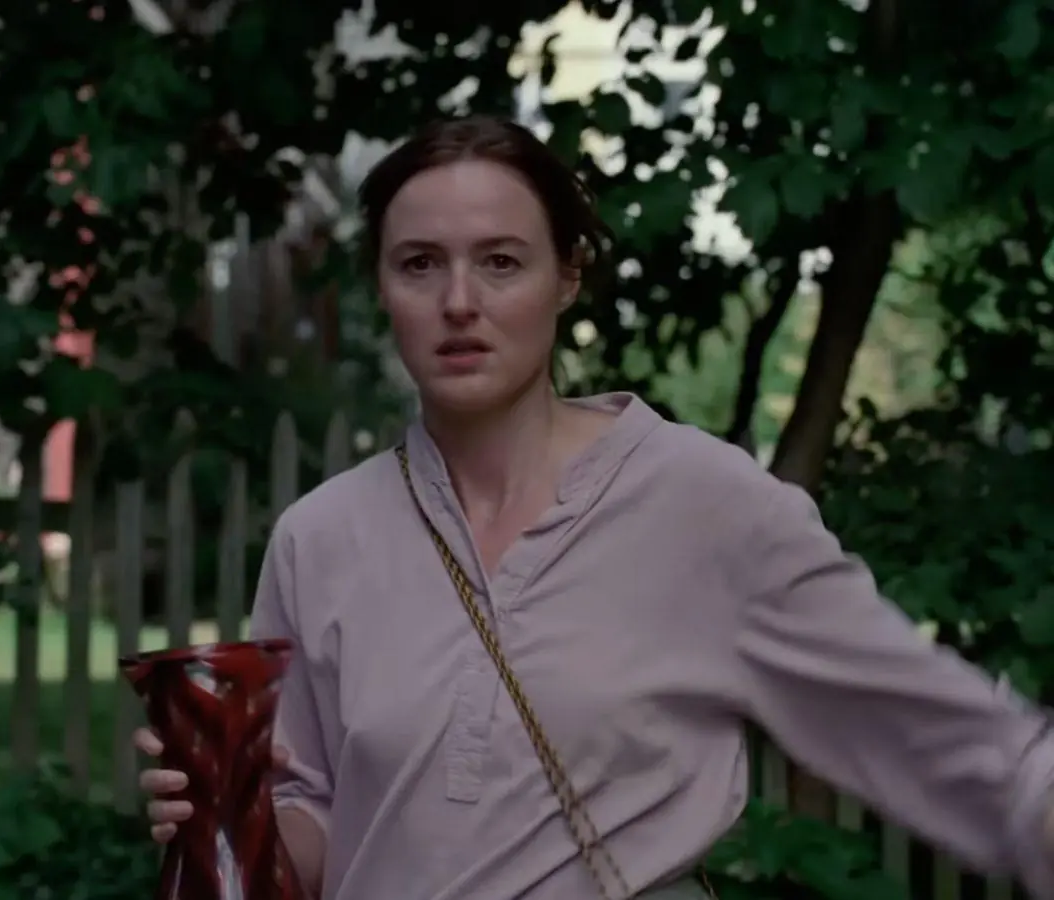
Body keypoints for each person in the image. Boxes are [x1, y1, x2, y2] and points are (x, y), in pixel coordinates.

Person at [133, 115, 1054, 900]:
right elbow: (313, 829)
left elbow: (950, 746)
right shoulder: (320, 538)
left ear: (567, 276)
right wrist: (224, 815)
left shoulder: (706, 504)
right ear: (382, 286)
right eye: (419, 264)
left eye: (501, 262)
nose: (459, 302)